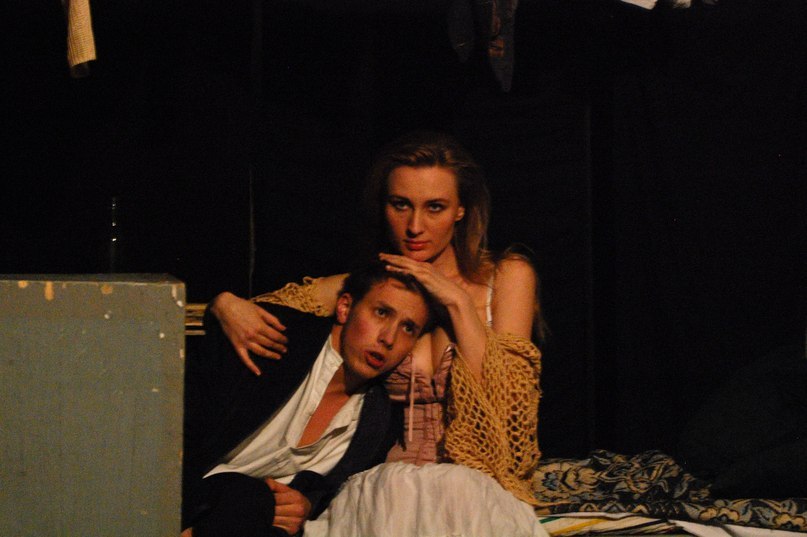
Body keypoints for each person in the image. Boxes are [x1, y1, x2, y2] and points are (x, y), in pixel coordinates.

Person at [210, 131, 546, 535]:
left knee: (457, 495)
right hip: (388, 485)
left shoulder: (506, 277)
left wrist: (457, 303)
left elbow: (511, 412)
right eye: (400, 205)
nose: (415, 226)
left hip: (477, 485)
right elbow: (270, 308)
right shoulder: (367, 288)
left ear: (461, 210)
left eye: (434, 207)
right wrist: (223, 303)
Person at [181, 263, 435, 537]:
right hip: (181, 490)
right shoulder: (272, 336)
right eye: (381, 313)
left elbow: (328, 493)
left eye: (408, 328)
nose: (389, 338)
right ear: (345, 308)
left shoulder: (378, 420)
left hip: (254, 524)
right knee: (251, 496)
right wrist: (221, 302)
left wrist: (305, 505)